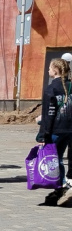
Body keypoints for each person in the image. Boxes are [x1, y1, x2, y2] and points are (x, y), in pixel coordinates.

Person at [37, 58, 72, 205]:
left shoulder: (51, 89)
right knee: (60, 158)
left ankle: (63, 185)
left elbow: (49, 114)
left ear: (56, 70)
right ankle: (62, 187)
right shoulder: (70, 86)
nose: (48, 70)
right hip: (69, 129)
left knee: (55, 159)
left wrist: (43, 134)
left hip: (56, 130)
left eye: (50, 68)